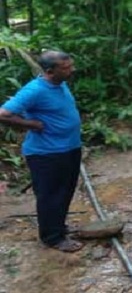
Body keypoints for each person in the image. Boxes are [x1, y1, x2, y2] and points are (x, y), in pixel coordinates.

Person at [0, 51, 84, 252]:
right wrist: (29, 124)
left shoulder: (59, 83)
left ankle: (58, 227)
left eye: (71, 65)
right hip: (47, 154)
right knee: (50, 195)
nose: (71, 70)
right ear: (49, 71)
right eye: (66, 68)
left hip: (69, 148)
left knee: (65, 191)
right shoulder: (34, 90)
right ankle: (52, 238)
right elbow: (3, 114)